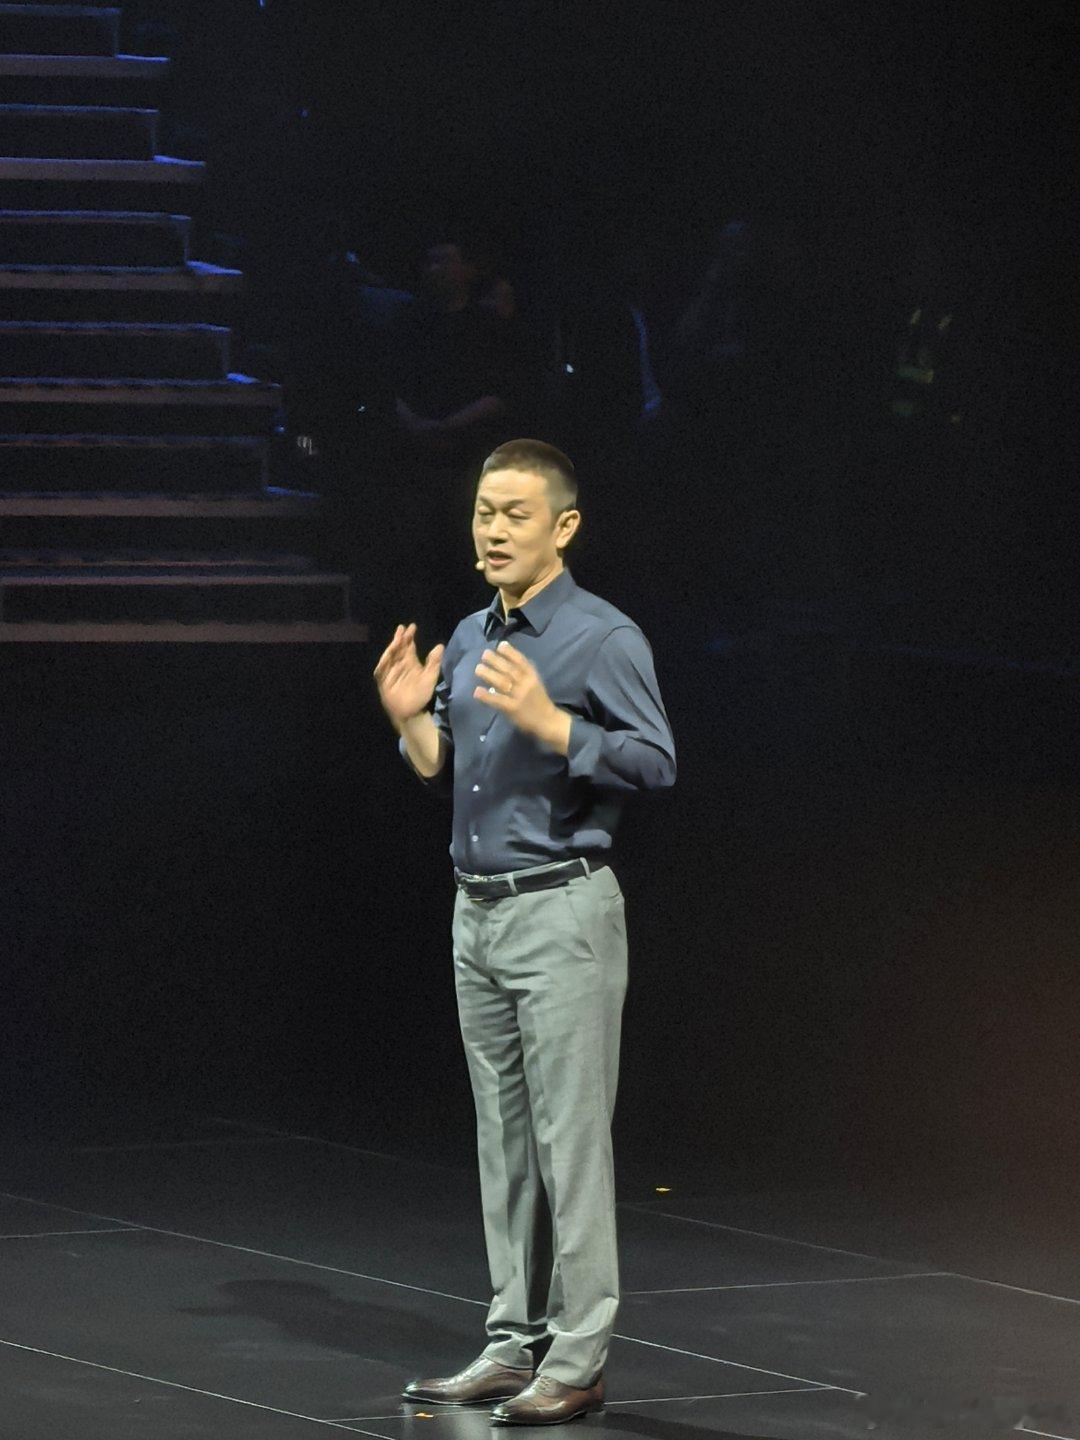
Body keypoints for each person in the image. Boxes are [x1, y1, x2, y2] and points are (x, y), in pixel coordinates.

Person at [372, 438, 676, 1425]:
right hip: (479, 911)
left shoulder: (603, 637)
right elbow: (445, 765)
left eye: (515, 514)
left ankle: (578, 1356)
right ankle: (511, 1342)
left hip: (563, 908)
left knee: (569, 1141)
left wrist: (558, 727)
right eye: (484, 512)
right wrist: (410, 721)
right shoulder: (468, 634)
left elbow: (656, 762)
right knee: (502, 1140)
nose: (494, 530)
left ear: (563, 526)